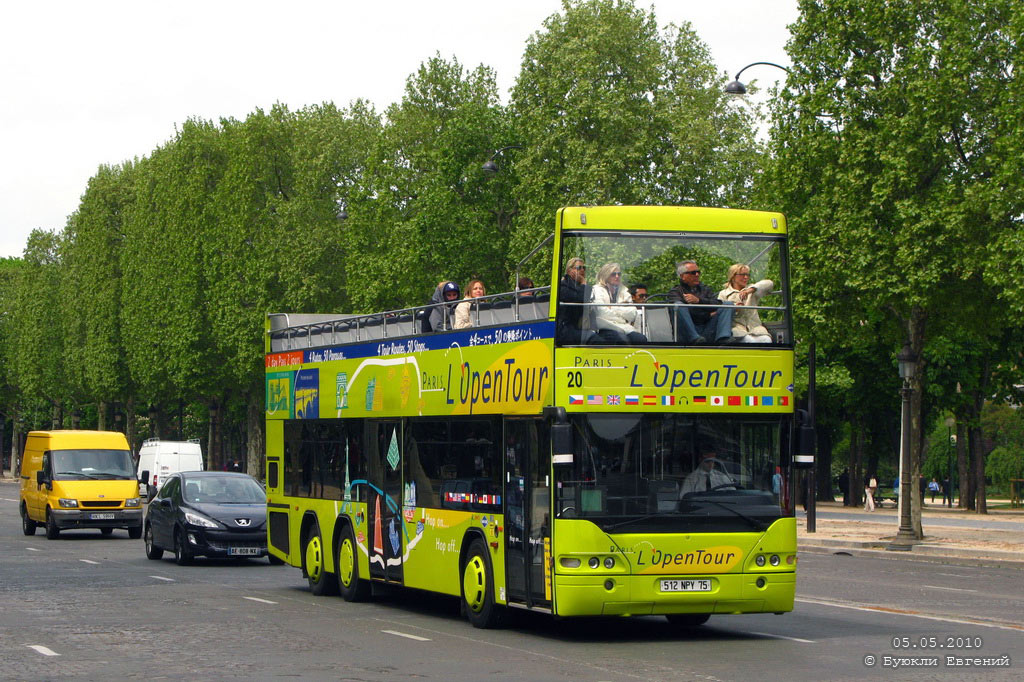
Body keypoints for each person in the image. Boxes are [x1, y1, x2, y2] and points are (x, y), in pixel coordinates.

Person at [668, 260, 734, 344]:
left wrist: (698, 301)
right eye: (693, 273)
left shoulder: (705, 289)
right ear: (683, 276)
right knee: (679, 306)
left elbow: (717, 304)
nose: (697, 275)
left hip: (707, 328)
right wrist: (707, 313)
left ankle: (723, 337)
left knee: (728, 304)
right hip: (687, 332)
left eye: (698, 272)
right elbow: (682, 314)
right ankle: (694, 337)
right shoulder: (675, 292)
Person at [591, 263, 647, 344]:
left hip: (625, 328)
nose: (617, 276)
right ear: (605, 275)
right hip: (606, 327)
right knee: (622, 340)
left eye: (619, 274)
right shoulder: (596, 290)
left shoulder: (624, 290)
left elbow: (632, 314)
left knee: (641, 339)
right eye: (613, 274)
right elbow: (601, 313)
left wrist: (612, 308)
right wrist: (622, 317)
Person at [718, 264, 774, 343]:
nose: (746, 277)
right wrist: (734, 308)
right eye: (742, 275)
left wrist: (749, 290)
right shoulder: (723, 293)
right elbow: (720, 313)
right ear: (733, 276)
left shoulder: (752, 290)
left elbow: (769, 283)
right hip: (737, 330)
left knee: (766, 340)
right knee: (749, 341)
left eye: (747, 275)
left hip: (756, 329)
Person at [556, 258, 599, 345]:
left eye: (584, 268)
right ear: (569, 271)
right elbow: (580, 300)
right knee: (595, 339)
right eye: (579, 268)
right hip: (565, 329)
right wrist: (583, 282)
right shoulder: (562, 286)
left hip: (581, 327)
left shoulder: (581, 286)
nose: (582, 270)